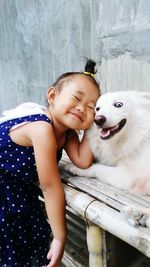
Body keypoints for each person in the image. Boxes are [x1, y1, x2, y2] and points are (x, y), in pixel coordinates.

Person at [0, 59, 100, 267]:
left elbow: (82, 161)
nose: (82, 108)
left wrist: (96, 123)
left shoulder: (67, 134)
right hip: (5, 195)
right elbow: (49, 186)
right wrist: (60, 236)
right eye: (76, 98)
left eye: (91, 107)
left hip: (20, 194)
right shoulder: (40, 127)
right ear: (52, 96)